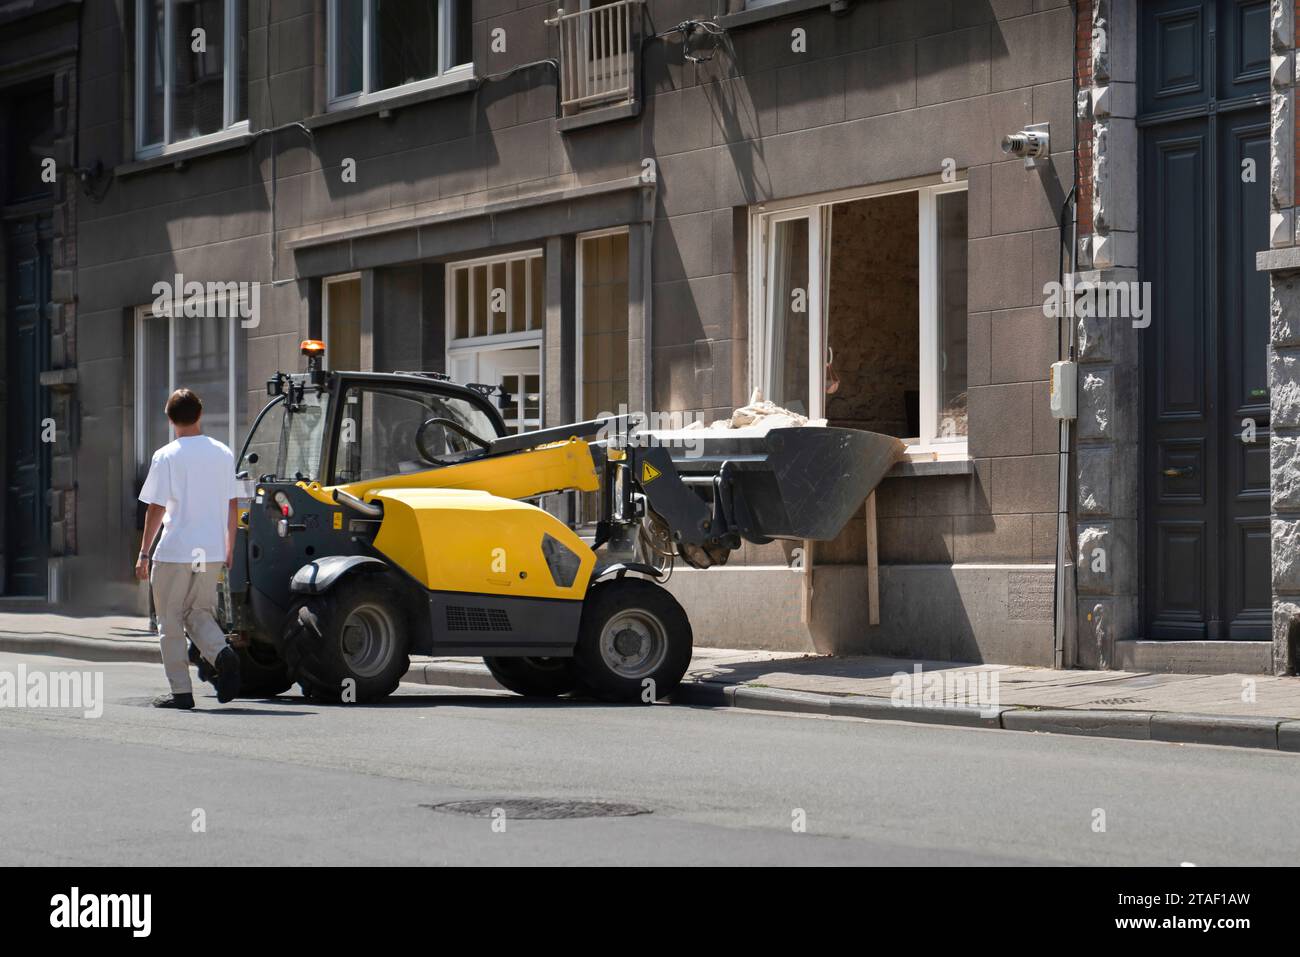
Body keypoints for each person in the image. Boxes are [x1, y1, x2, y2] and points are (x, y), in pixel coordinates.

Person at [136, 388, 242, 708]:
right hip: (208, 552)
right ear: (200, 415)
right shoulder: (222, 452)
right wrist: (229, 547)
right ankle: (223, 655)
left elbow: (155, 508)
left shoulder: (166, 455)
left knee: (170, 620)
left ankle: (181, 692)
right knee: (199, 612)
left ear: (170, 419)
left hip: (175, 551)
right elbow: (232, 503)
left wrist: (143, 553)